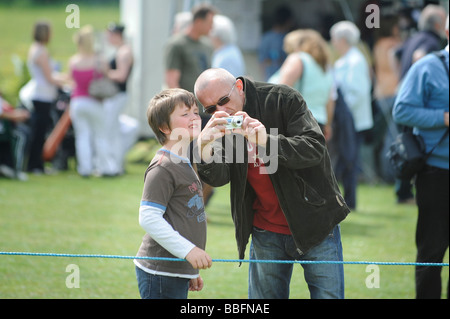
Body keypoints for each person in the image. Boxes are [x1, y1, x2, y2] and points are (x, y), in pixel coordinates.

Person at [194, 68, 350, 299]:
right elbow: (220, 177)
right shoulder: (222, 124)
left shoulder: (283, 99)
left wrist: (267, 140)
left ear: (238, 86)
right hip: (265, 229)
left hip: (315, 224)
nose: (220, 111)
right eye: (210, 109)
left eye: (223, 100)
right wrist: (203, 148)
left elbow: (314, 148)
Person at [134, 88, 212, 299]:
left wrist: (188, 268)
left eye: (195, 112)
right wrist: (189, 251)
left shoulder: (184, 161)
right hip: (160, 273)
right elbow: (149, 218)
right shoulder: (163, 166)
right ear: (164, 127)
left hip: (176, 269)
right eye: (185, 114)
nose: (194, 117)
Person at [392, 16, 449, 300]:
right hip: (435, 172)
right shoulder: (428, 66)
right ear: (446, 30)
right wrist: (444, 117)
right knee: (431, 252)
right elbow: (401, 110)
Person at [394, 4, 447, 204]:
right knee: (411, 150)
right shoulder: (431, 41)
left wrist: (401, 81)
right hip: (415, 101)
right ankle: (404, 193)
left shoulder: (413, 38)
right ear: (438, 24)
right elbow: (420, 57)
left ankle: (403, 192)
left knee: (406, 148)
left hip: (404, 94)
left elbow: (395, 54)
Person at [330, 21, 373, 210]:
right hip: (347, 119)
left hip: (352, 120)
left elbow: (358, 91)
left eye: (333, 39)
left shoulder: (355, 61)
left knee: (349, 160)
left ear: (341, 40)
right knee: (345, 159)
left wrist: (344, 112)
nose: (332, 43)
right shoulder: (346, 60)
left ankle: (350, 201)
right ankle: (344, 200)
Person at [269, 29, 334, 141]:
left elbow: (280, 91)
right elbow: (330, 101)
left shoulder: (298, 59)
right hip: (319, 124)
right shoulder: (324, 68)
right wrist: (327, 125)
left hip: (296, 124)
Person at [68, 25, 114, 177]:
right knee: (100, 135)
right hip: (94, 101)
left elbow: (71, 81)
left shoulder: (73, 61)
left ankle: (85, 168)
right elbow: (108, 76)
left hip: (77, 101)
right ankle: (106, 168)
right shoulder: (99, 60)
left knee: (82, 136)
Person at [25, 21, 65, 174]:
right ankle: (35, 165)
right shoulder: (41, 51)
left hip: (40, 93)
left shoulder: (35, 49)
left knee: (39, 131)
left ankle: (37, 164)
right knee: (39, 132)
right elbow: (49, 77)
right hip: (42, 95)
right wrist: (68, 80)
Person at [104, 23, 134, 176]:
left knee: (111, 130)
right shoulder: (122, 50)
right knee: (113, 130)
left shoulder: (123, 52)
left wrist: (104, 72)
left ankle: (114, 164)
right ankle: (114, 164)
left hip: (118, 95)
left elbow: (121, 75)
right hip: (116, 95)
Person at [259, 5, 294, 81]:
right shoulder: (289, 39)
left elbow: (262, 62)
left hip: (269, 82)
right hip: (284, 83)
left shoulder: (265, 38)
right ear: (288, 21)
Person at [0, 95, 30, 180]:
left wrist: (17, 113)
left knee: (24, 131)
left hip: (5, 128)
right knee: (21, 136)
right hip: (3, 130)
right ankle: (15, 169)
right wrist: (16, 116)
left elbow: (6, 107)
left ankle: (7, 165)